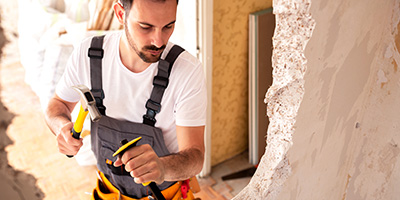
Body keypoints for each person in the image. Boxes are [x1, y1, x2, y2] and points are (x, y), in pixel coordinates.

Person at [44, 0, 206, 199]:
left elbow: (196, 157)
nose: (158, 41)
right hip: (109, 192)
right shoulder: (88, 55)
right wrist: (61, 126)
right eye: (146, 27)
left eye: (168, 26)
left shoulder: (187, 71)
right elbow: (58, 104)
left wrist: (162, 168)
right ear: (121, 14)